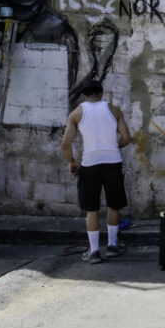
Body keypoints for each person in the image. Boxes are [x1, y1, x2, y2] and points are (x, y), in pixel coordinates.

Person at [60, 78, 132, 263]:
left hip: (89, 164)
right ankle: (113, 246)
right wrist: (113, 147)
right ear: (101, 93)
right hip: (112, 162)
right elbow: (126, 138)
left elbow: (65, 144)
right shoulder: (114, 110)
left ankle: (93, 252)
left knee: (91, 210)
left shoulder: (76, 114)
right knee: (114, 205)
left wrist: (72, 162)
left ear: (83, 95)